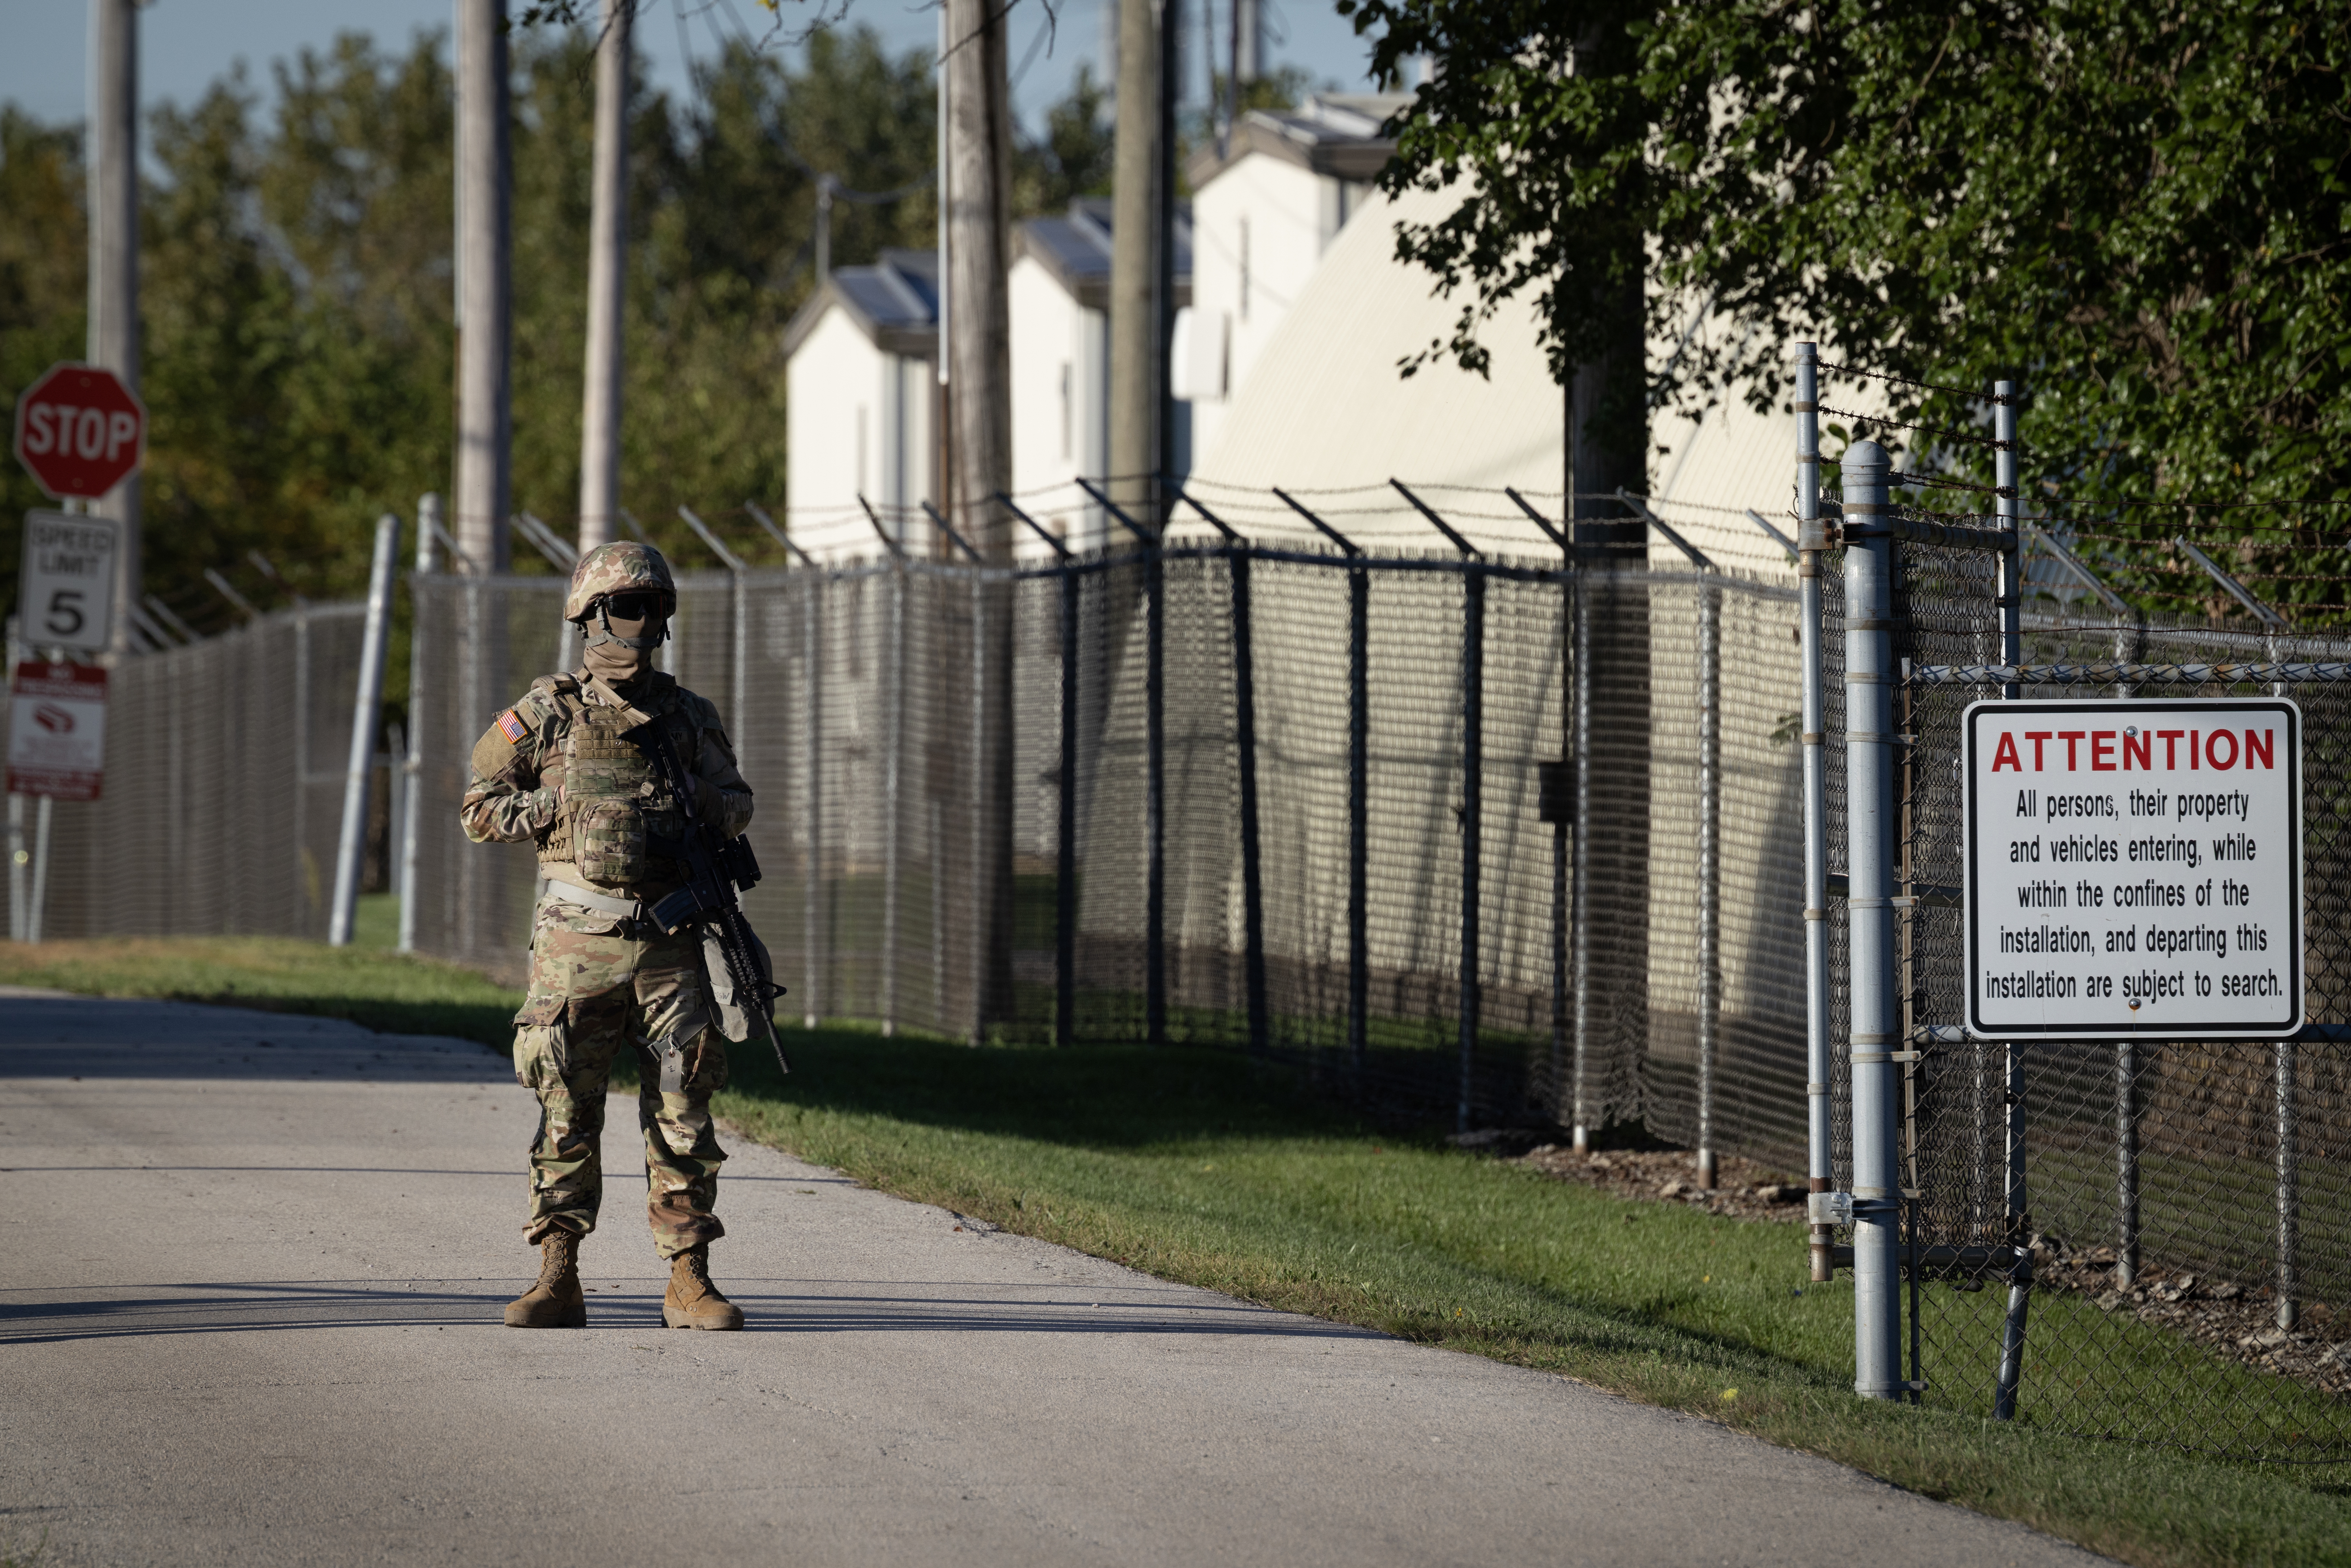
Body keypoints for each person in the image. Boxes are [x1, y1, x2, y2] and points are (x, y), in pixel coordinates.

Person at [460, 541, 755, 1330]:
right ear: (590, 615)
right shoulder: (548, 711)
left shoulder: (688, 717)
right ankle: (558, 1274)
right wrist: (552, 808)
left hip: (670, 943)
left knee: (685, 1099)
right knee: (565, 1100)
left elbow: (739, 801)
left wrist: (699, 798)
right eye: (629, 605)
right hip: (575, 944)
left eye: (656, 607)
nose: (644, 621)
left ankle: (688, 1278)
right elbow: (479, 805)